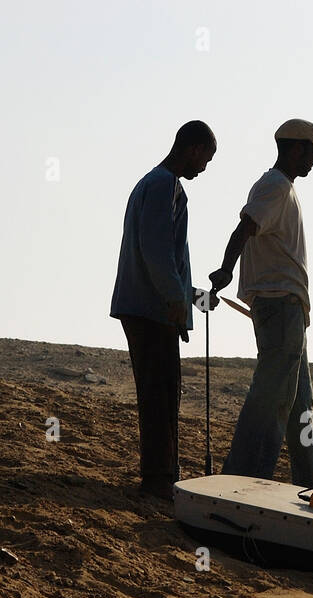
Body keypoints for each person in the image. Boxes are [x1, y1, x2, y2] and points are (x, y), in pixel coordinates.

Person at [208, 119, 313, 488]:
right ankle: (241, 481)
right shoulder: (275, 186)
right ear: (295, 148)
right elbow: (244, 227)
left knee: (298, 405)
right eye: (312, 152)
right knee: (271, 399)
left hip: (288, 309)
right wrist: (225, 271)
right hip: (279, 307)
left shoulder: (281, 187)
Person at [109, 120, 218, 501]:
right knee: (160, 390)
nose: (204, 168)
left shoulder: (150, 183)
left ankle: (162, 473)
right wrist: (176, 301)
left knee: (160, 388)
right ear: (194, 149)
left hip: (143, 303)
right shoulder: (165, 186)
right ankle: (158, 478)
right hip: (151, 308)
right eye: (206, 158)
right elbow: (157, 252)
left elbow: (163, 258)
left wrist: (191, 296)